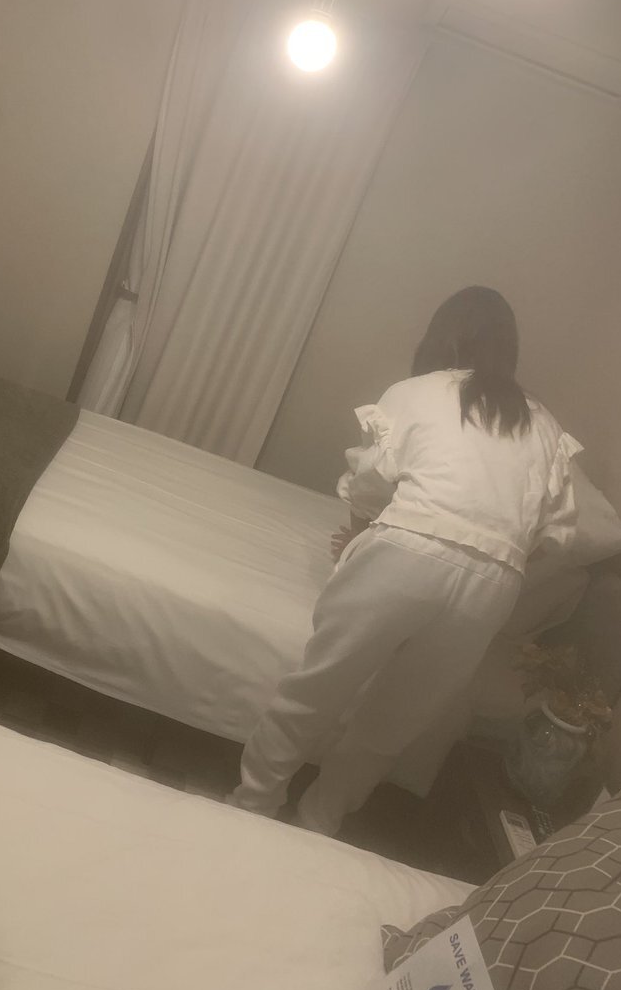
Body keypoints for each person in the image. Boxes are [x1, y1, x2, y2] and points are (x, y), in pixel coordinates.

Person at [229, 286, 581, 837]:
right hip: (494, 583)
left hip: (408, 550)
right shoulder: (546, 427)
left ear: (444, 336)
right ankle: (318, 823)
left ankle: (252, 804)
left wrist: (361, 538)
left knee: (315, 691)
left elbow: (368, 484)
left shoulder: (417, 392)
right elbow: (553, 537)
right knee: (391, 723)